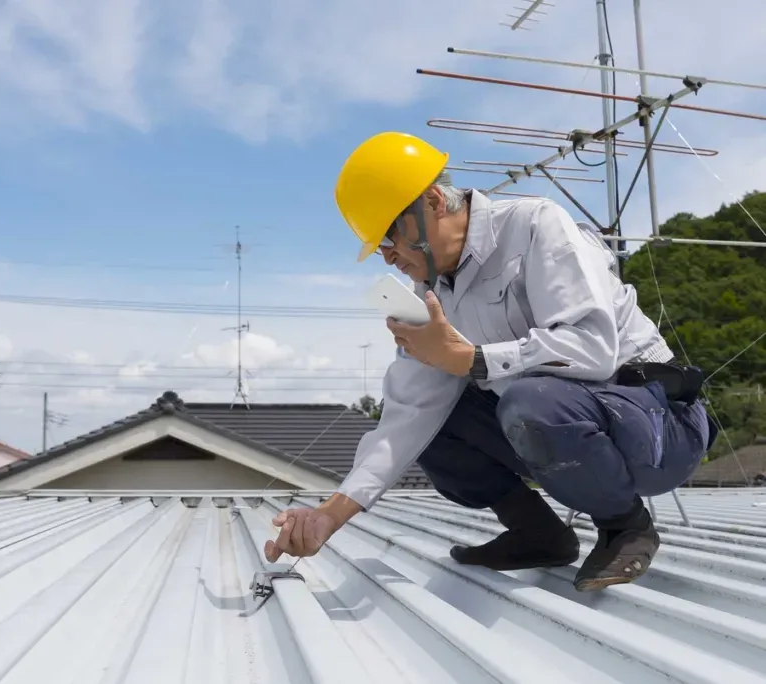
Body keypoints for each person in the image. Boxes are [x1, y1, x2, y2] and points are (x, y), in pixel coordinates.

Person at [264, 131, 715, 591]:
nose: (388, 257)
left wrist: (473, 360)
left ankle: (626, 526)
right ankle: (537, 533)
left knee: (526, 398)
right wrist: (328, 516)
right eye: (378, 248)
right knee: (435, 421)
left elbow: (592, 348)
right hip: (571, 420)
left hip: (659, 425)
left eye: (390, 237)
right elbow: (406, 417)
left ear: (433, 202)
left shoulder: (536, 225)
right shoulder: (433, 293)